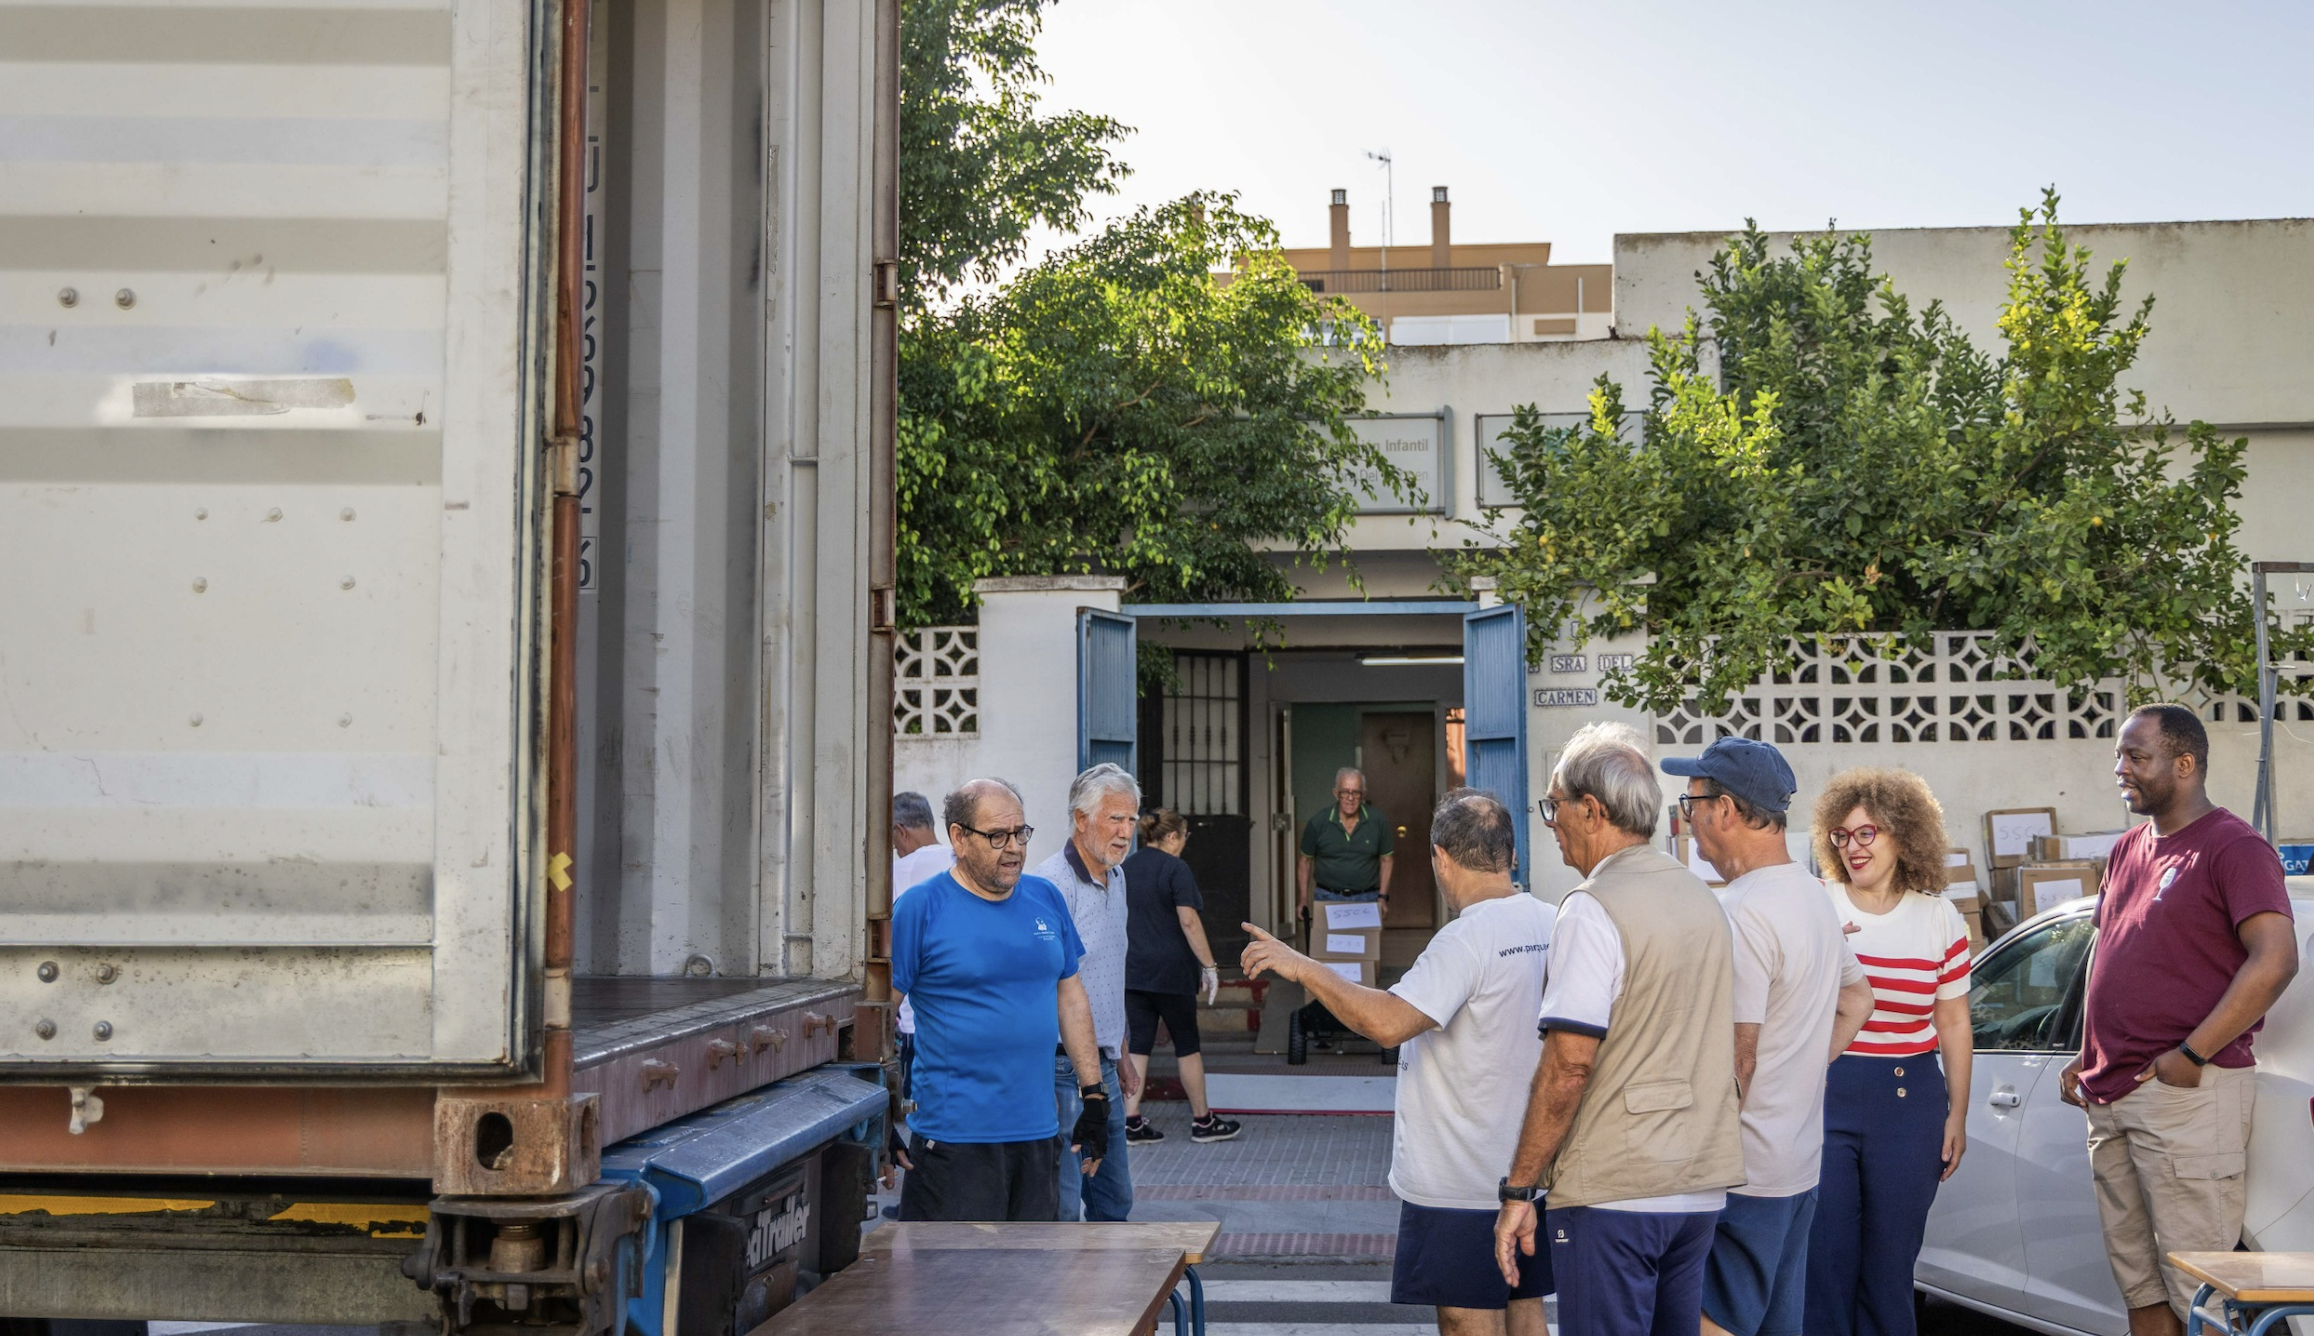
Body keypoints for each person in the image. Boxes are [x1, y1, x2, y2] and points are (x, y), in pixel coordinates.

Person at [1244, 790, 1555, 1336]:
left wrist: (1304, 967)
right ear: (1510, 853)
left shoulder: (1465, 939)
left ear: (1441, 858)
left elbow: (1387, 1022)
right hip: (1530, 1173)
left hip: (1463, 1180)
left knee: (1467, 1320)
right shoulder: (1551, 922)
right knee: (1524, 1310)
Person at [1494, 722, 1744, 1336]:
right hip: (1698, 1182)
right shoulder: (1701, 896)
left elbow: (1568, 1066)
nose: (1550, 823)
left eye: (1555, 807)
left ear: (1591, 809)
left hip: (1617, 1188)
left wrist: (1519, 1191)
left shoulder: (1592, 906)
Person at [2059, 704, 2298, 1336]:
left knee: (2203, 1293)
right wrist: (2088, 1052)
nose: (2121, 769)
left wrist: (2191, 1055)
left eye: (2136, 756)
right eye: (2119, 755)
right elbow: (2111, 957)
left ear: (2184, 764)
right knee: (2139, 1290)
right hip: (2111, 1094)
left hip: (2185, 1097)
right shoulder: (2127, 849)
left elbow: (2276, 961)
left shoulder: (2234, 847)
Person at [1665, 740, 1876, 1336]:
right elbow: (1859, 1000)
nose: (1689, 818)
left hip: (1742, 1171)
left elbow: (1740, 1059)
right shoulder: (1809, 893)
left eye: (1693, 802)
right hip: (1797, 1162)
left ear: (1726, 809)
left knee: (1710, 1320)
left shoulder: (1743, 911)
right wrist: (1803, 1063)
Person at [889, 778, 1111, 1221]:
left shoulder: (1045, 897)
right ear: (958, 838)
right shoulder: (920, 907)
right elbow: (879, 1013)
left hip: (1037, 1135)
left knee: (1033, 1282)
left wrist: (1094, 1096)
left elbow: (1070, 997)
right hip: (954, 1144)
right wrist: (880, 1109)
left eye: (1020, 833)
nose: (1014, 848)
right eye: (997, 836)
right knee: (953, 1284)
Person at [1807, 768, 1974, 1336]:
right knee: (1823, 1263)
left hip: (1910, 1104)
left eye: (1867, 833)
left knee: (1889, 1268)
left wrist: (1958, 1114)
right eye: (1842, 835)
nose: (1853, 848)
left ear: (1903, 834)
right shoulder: (1817, 904)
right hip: (1824, 1096)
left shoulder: (1939, 917)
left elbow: (1953, 1021)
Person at [1031, 763, 1144, 1221]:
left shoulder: (1117, 877)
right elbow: (1045, 984)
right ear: (1081, 820)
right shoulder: (1050, 883)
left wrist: (1122, 1051)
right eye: (1115, 819)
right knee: (1061, 1204)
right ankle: (1060, 1292)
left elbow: (1109, 971)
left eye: (1132, 820)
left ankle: (1108, 1291)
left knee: (1114, 1200)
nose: (1126, 832)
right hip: (1061, 1066)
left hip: (1106, 1065)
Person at [1120, 808, 1240, 1146]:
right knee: (1187, 1045)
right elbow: (1189, 921)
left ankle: (1131, 1121)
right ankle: (1203, 1121)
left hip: (1134, 971)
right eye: (1184, 837)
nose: (1185, 843)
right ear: (1172, 837)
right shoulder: (1176, 869)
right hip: (1172, 973)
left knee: (1139, 1043)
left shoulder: (1125, 868)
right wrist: (1210, 966)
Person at [890, 791, 954, 1101]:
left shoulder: (898, 873)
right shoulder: (962, 860)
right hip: (963, 1021)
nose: (896, 850)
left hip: (918, 1024)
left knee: (921, 1116)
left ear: (900, 830)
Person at [1298, 766, 1395, 919]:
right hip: (1327, 898)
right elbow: (1305, 861)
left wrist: (1382, 897)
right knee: (1328, 943)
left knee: (1366, 944)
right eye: (1345, 792)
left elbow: (1387, 860)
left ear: (1363, 795)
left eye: (1356, 792)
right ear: (1336, 793)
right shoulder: (1318, 822)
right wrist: (1303, 899)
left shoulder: (1377, 821)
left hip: (1367, 899)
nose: (1350, 798)